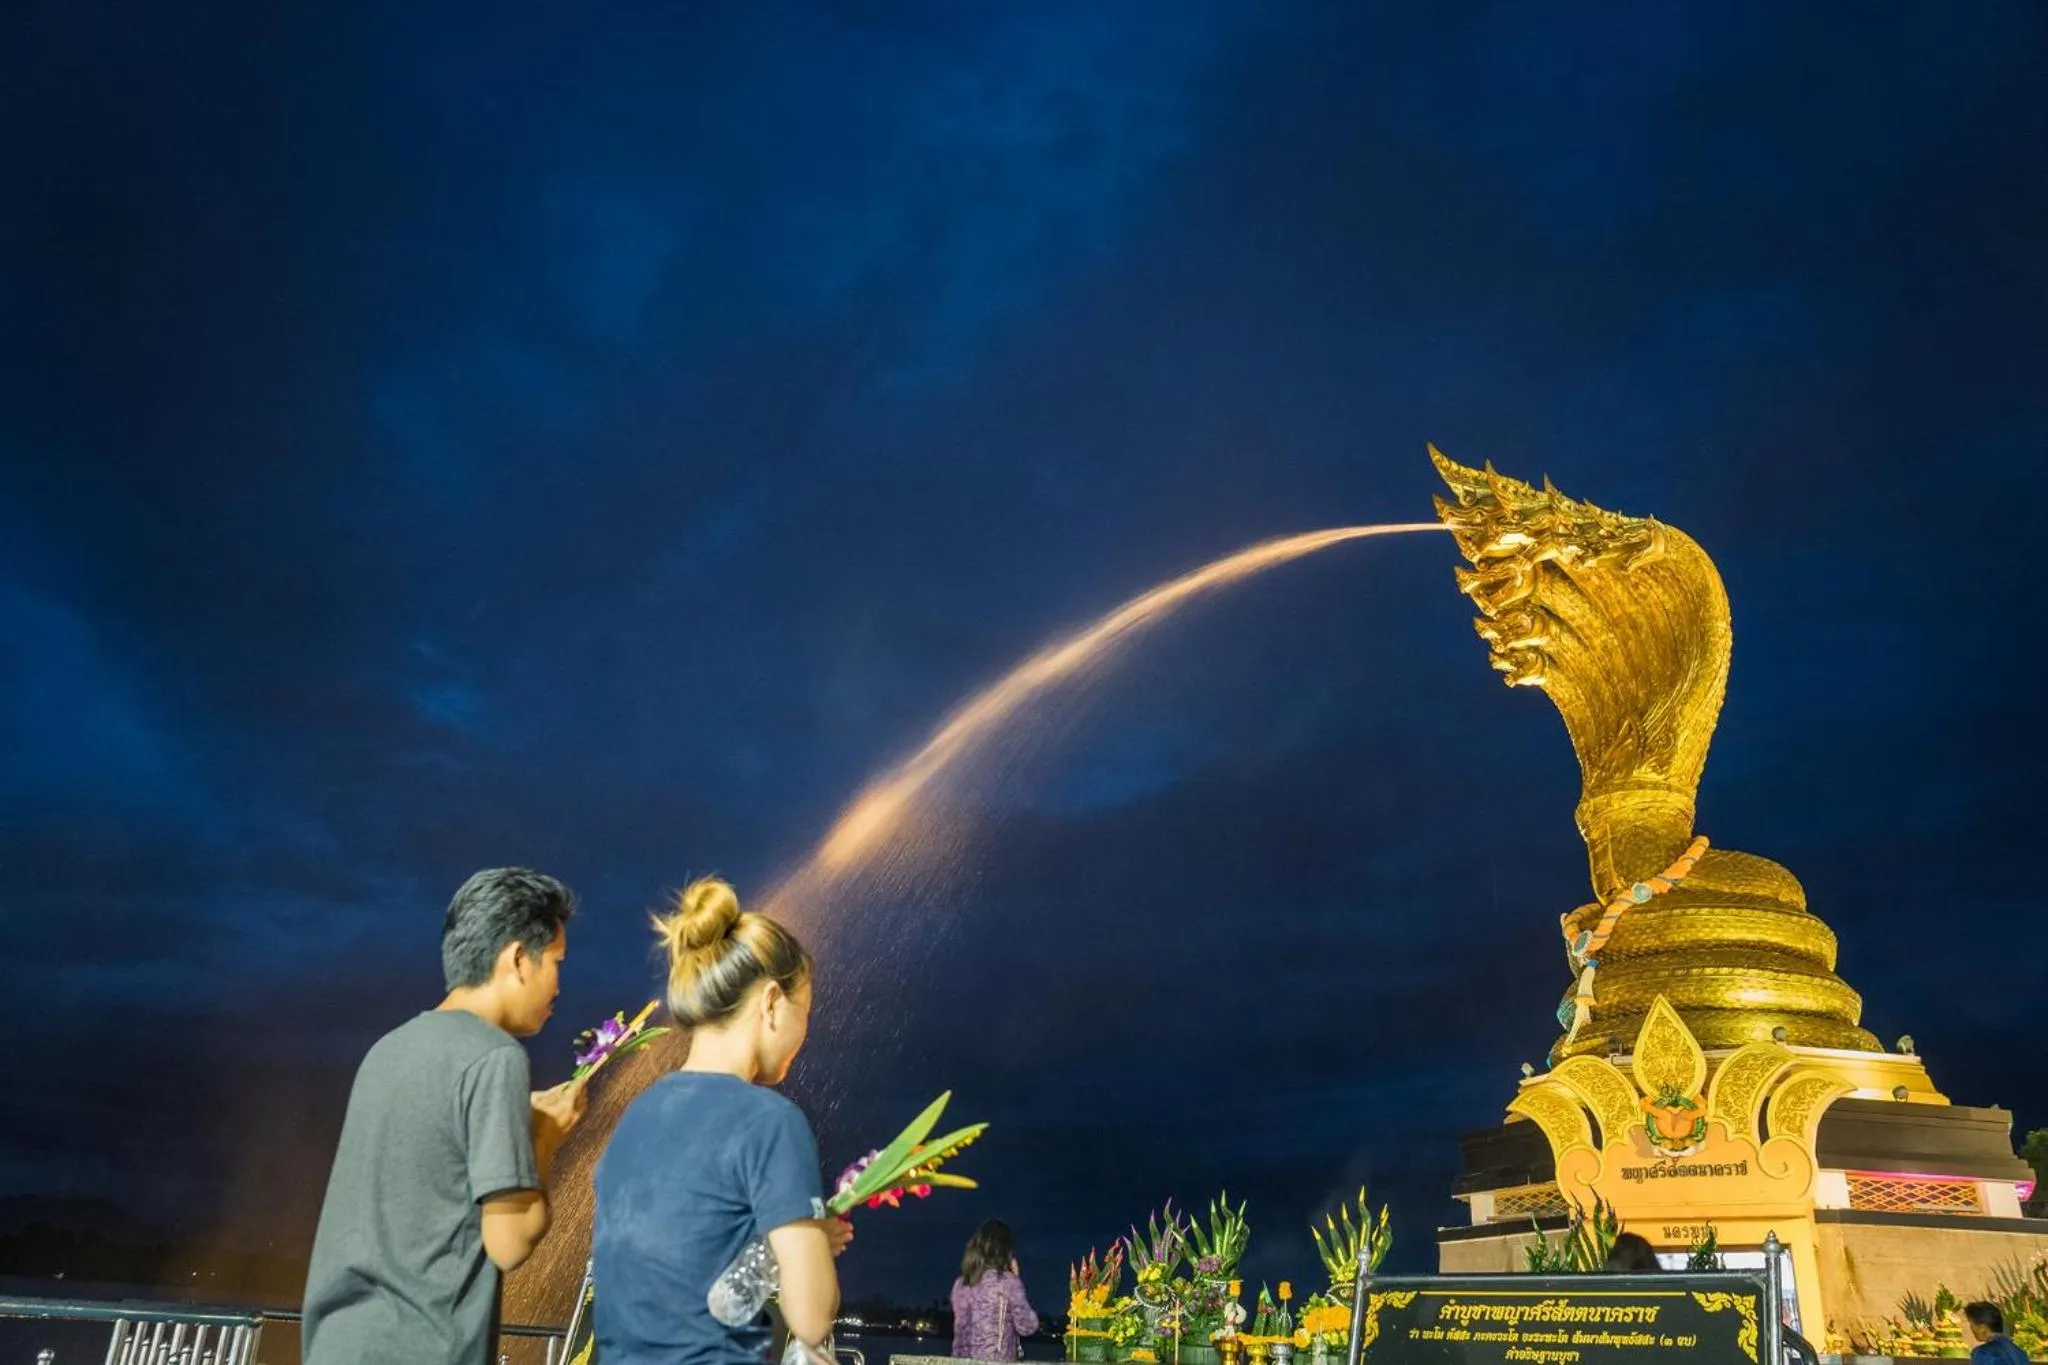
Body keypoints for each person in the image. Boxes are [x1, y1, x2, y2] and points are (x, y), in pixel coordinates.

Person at [302, 868, 589, 1365]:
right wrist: (544, 1138)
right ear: (518, 959)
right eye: (556, 963)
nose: (559, 985)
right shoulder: (495, 1057)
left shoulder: (388, 1050)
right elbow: (509, 1242)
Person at [592, 877, 852, 1365]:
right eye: (806, 1013)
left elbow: (685, 1282)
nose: (805, 1032)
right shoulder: (771, 1120)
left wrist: (781, 1246)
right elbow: (811, 1319)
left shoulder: (638, 1115)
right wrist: (811, 1243)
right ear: (772, 1003)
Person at [951, 1219, 1040, 1361]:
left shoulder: (961, 1284)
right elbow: (1027, 1326)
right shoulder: (1008, 1282)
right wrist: (1016, 1278)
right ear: (1004, 1250)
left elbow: (960, 1334)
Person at [1964, 1302, 2029, 1365]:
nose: (1971, 1328)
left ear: (1982, 1328)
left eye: (1971, 1324)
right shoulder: (2018, 1352)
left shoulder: (1983, 1353)